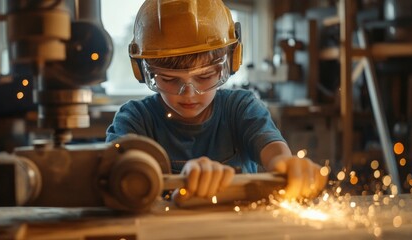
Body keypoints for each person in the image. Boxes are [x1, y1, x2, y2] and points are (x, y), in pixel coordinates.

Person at [106, 0, 327, 203]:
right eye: (170, 80)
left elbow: (274, 153)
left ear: (232, 62)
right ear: (143, 73)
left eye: (204, 77)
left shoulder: (240, 108)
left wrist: (287, 166)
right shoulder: (135, 120)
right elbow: (111, 176)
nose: (189, 93)